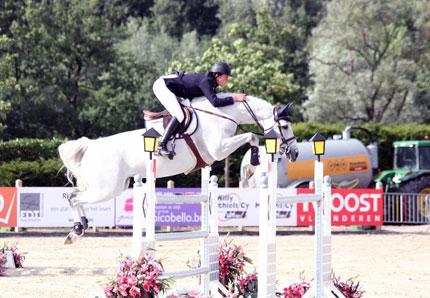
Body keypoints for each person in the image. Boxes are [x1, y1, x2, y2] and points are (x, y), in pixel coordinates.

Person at [153, 61, 246, 156]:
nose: (227, 80)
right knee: (179, 115)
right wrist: (235, 98)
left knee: (187, 112)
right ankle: (161, 146)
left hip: (173, 90)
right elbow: (215, 102)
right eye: (226, 77)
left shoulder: (211, 83)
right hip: (162, 86)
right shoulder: (207, 81)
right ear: (217, 75)